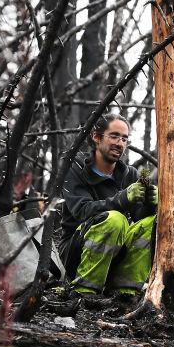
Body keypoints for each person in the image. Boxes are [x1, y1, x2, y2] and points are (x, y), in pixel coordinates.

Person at [60, 113, 157, 295]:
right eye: (114, 136)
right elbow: (82, 211)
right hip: (76, 253)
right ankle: (85, 290)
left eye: (124, 139)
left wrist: (151, 204)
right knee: (115, 220)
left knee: (153, 224)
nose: (120, 143)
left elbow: (139, 221)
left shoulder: (130, 175)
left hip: (114, 253)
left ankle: (124, 291)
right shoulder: (75, 168)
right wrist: (121, 199)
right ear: (96, 137)